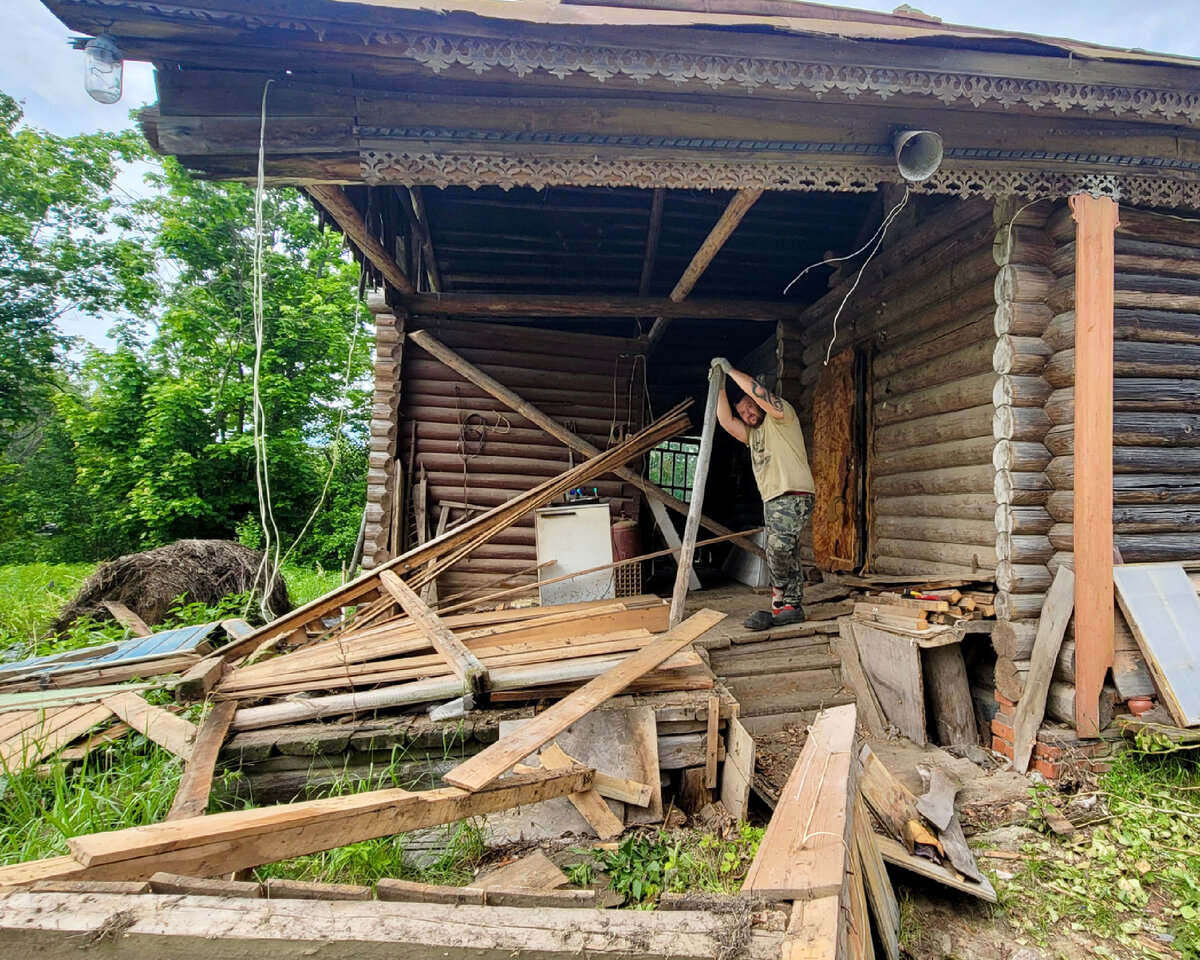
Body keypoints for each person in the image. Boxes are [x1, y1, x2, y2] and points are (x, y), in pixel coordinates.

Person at [710, 357, 815, 631]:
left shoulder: (781, 417)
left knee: (777, 548)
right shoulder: (752, 435)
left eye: (749, 408)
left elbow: (757, 390)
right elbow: (724, 421)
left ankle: (779, 597)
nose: (747, 415)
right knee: (787, 552)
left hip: (794, 493)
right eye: (743, 413)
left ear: (759, 403)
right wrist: (719, 385)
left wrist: (730, 371)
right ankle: (792, 606)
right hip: (773, 499)